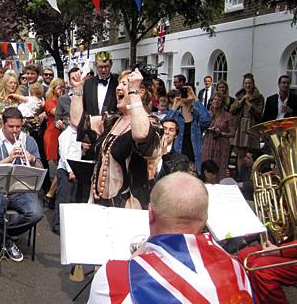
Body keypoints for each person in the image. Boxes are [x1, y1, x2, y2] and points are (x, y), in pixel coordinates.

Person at [88, 172, 254, 304]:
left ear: (151, 214)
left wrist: (133, 264)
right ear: (205, 218)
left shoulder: (114, 276)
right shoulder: (236, 268)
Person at [71, 68, 161, 208]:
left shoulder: (152, 124)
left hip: (128, 206)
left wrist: (134, 93)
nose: (118, 87)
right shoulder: (112, 120)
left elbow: (140, 135)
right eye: (118, 84)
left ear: (140, 91)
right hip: (101, 202)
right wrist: (77, 89)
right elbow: (78, 122)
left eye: (125, 84)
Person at [0, 107, 43, 262]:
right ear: (3, 124)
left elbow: (40, 169)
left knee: (35, 213)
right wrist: (8, 159)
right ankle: (7, 242)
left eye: (18, 127)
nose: (15, 130)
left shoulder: (29, 141)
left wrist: (33, 159)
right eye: (11, 126)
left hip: (21, 189)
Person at [164, 85, 212, 175]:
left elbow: (207, 120)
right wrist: (174, 107)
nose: (186, 94)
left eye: (189, 92)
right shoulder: (176, 116)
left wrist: (195, 100)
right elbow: (164, 125)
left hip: (194, 157)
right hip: (177, 156)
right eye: (184, 92)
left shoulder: (197, 116)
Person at [230, 73, 265, 172]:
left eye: (249, 83)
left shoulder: (259, 97)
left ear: (253, 84)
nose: (247, 85)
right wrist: (240, 102)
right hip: (241, 125)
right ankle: (241, 174)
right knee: (240, 153)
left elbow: (259, 113)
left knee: (250, 154)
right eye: (246, 83)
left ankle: (250, 175)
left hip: (252, 125)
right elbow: (232, 110)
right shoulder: (240, 96)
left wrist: (249, 104)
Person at [201, 92, 235, 180]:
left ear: (222, 103)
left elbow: (233, 133)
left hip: (221, 144)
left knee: (220, 168)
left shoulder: (227, 115)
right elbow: (201, 127)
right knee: (206, 166)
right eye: (215, 99)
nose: (216, 101)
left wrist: (222, 133)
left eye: (219, 100)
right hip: (208, 142)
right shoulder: (207, 114)